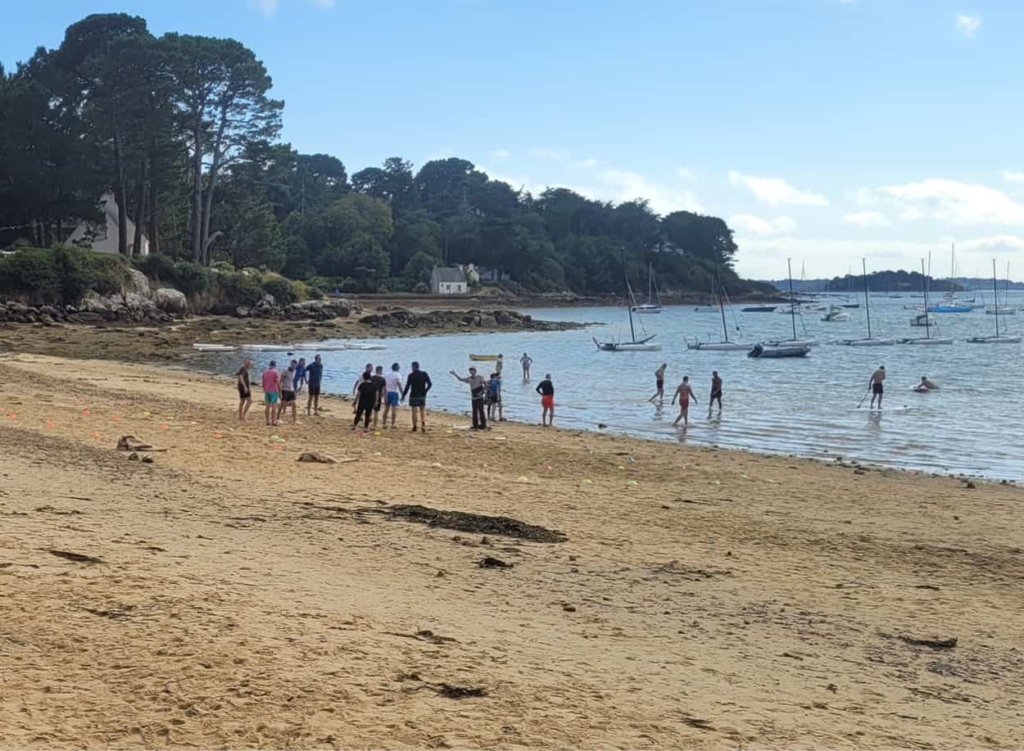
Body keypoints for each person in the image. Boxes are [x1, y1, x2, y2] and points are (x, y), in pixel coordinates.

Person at [402, 361, 433, 432]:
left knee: (414, 411)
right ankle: (423, 424)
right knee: (422, 410)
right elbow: (430, 384)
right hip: (422, 394)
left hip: (413, 395)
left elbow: (407, 386)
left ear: (413, 367)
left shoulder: (411, 375)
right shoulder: (424, 374)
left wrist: (403, 395)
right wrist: (425, 391)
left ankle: (414, 426)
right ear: (418, 366)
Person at [382, 362, 403, 429]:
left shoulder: (386, 374)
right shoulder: (398, 375)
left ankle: (384, 424)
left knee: (386, 409)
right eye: (399, 367)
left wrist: (383, 393)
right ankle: (393, 424)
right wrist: (402, 393)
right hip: (394, 392)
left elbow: (384, 384)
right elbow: (399, 385)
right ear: (397, 368)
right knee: (394, 409)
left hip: (387, 392)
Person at [261, 360, 280, 426]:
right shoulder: (275, 372)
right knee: (274, 406)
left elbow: (263, 382)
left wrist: (264, 388)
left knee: (267, 406)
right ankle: (273, 421)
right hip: (273, 390)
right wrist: (279, 390)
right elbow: (277, 382)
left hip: (267, 390)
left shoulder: (265, 372)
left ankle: (267, 421)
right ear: (275, 365)